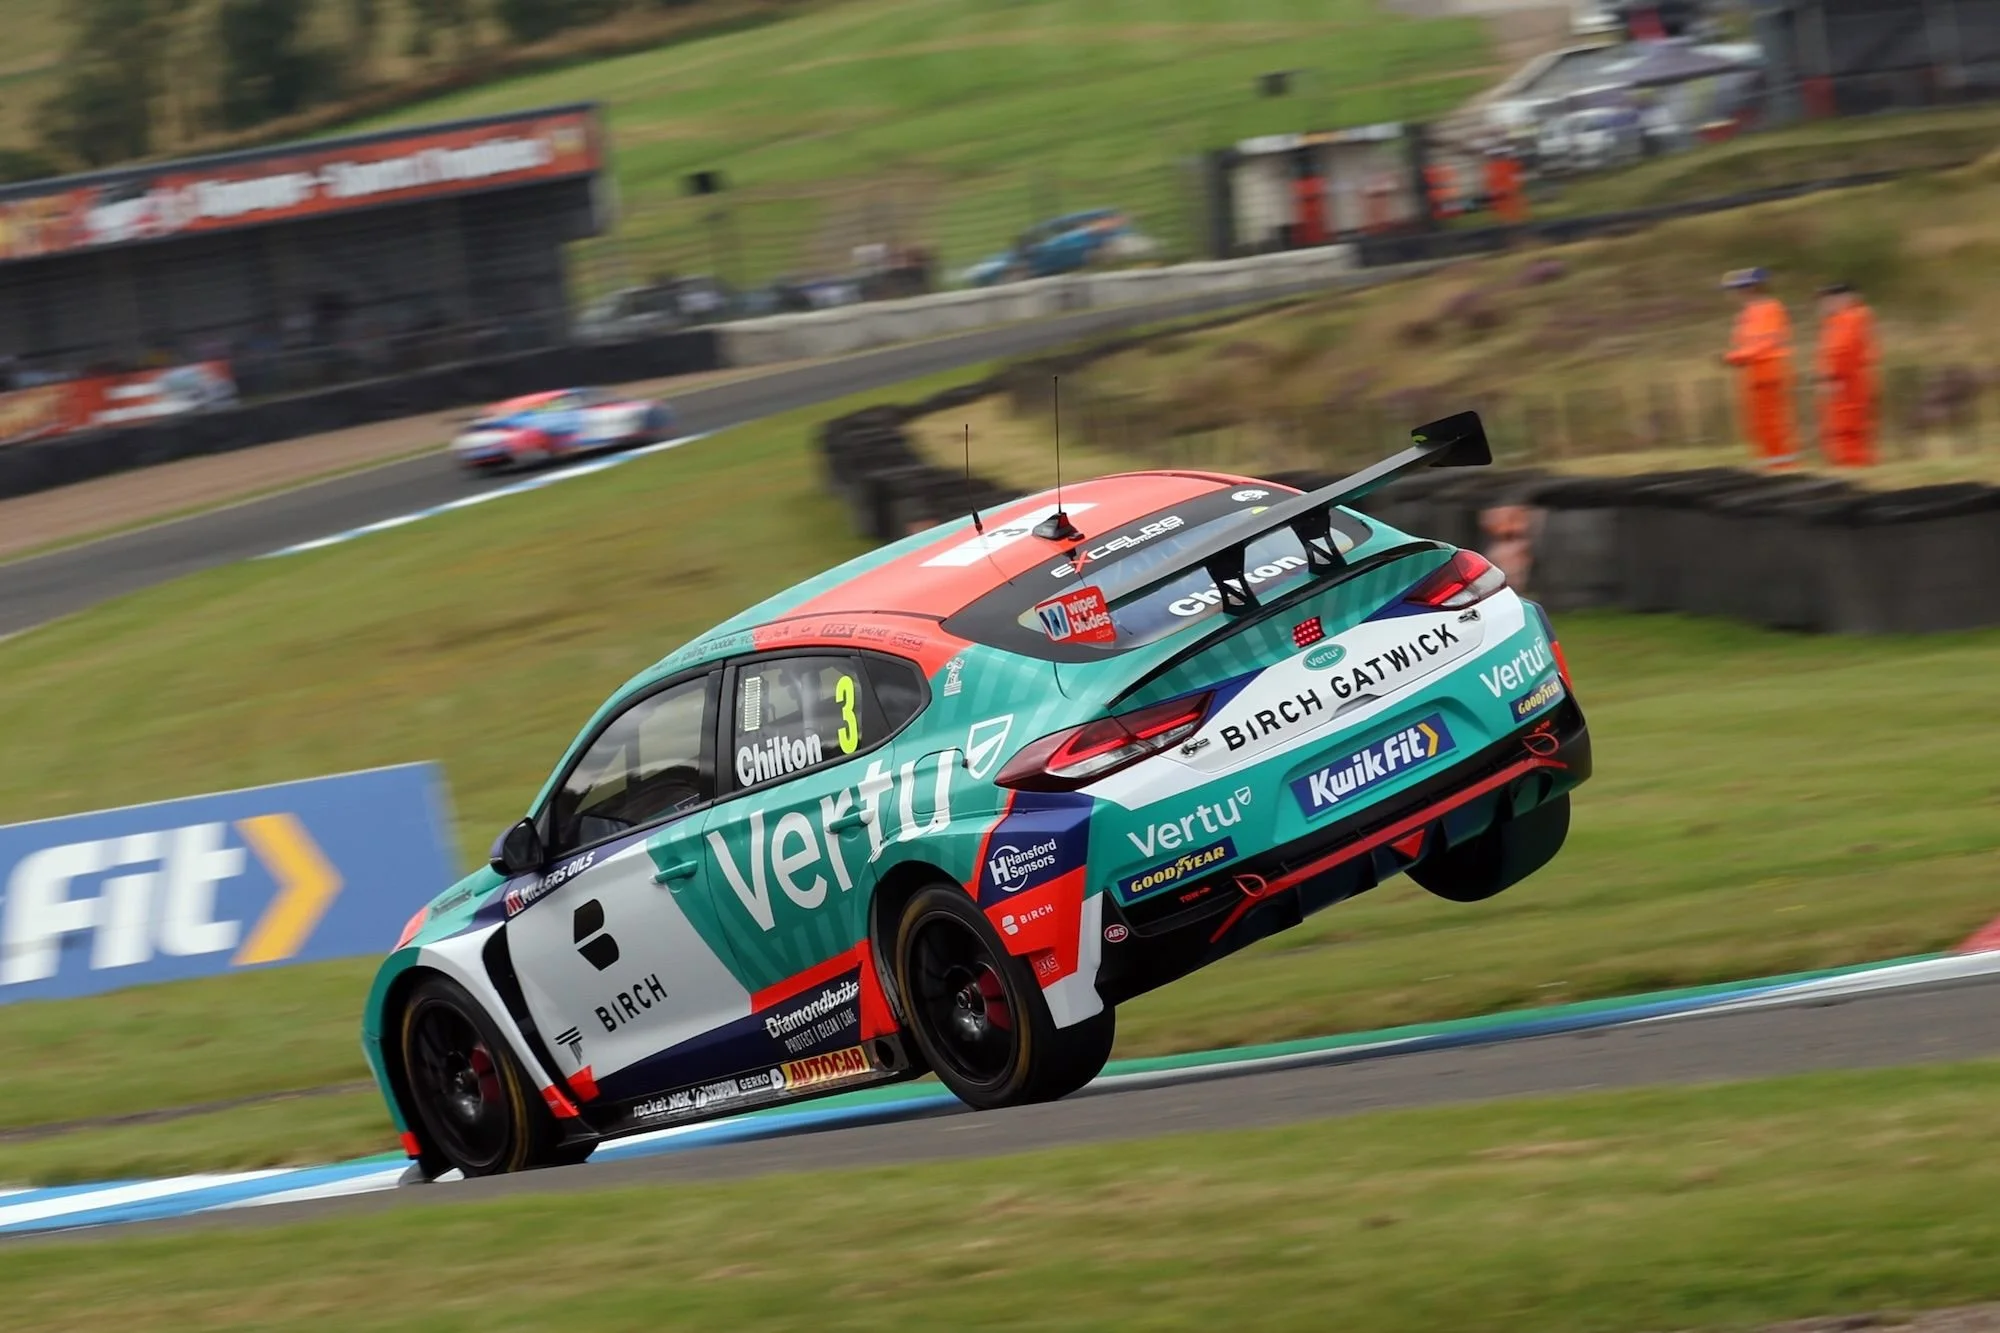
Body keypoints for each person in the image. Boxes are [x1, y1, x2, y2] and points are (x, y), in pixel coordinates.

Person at [1721, 267, 1799, 469]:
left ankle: (1784, 465)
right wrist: (1736, 358)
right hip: (1753, 371)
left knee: (1774, 420)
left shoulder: (1769, 308)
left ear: (1753, 288)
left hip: (1769, 368)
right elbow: (1747, 343)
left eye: (1740, 288)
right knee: (1760, 422)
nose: (1736, 293)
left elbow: (1766, 342)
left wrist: (1735, 356)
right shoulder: (1749, 313)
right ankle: (1770, 463)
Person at [1815, 281, 1880, 467]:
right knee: (1840, 427)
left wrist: (1831, 377)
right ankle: (1848, 463)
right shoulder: (1837, 320)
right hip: (1845, 380)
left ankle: (1854, 464)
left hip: (1848, 382)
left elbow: (1843, 350)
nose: (1824, 304)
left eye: (1828, 299)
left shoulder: (1851, 318)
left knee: (1849, 427)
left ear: (1844, 298)